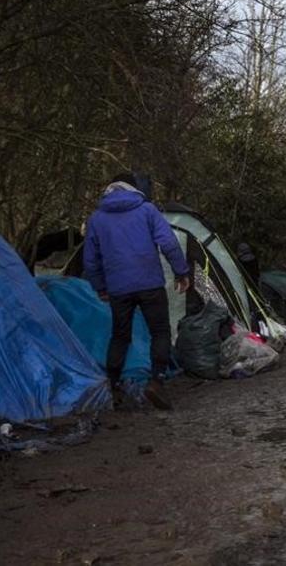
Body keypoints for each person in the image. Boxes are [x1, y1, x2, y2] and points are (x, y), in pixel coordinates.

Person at [83, 173, 191, 410]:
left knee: (120, 336)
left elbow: (90, 260)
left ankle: (114, 387)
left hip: (118, 289)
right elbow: (169, 243)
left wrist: (100, 287)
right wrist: (181, 272)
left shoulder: (97, 218)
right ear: (133, 188)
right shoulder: (147, 210)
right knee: (160, 332)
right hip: (150, 283)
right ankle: (157, 381)